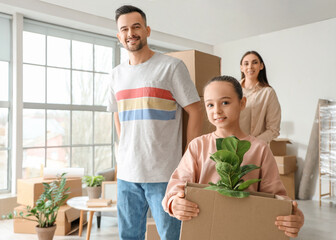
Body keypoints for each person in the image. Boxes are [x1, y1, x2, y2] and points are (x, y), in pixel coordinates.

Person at [162, 75, 304, 238]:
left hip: (245, 229)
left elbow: (276, 196)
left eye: (225, 102)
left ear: (242, 103)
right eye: (210, 105)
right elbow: (176, 185)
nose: (217, 111)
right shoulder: (198, 146)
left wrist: (292, 214)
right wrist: (175, 202)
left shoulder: (260, 149)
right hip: (205, 229)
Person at [107, 5, 202, 240]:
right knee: (129, 237)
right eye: (125, 29)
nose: (131, 33)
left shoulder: (171, 67)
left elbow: (196, 110)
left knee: (172, 236)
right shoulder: (115, 75)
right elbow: (117, 114)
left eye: (136, 26)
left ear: (147, 30)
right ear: (119, 36)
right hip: (127, 175)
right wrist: (124, 150)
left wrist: (188, 159)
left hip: (164, 174)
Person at [239, 50, 281, 143]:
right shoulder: (232, 90)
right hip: (233, 147)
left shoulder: (268, 93)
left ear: (261, 66)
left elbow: (273, 129)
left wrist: (252, 143)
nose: (250, 66)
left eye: (254, 62)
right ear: (241, 68)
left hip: (257, 148)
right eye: (246, 63)